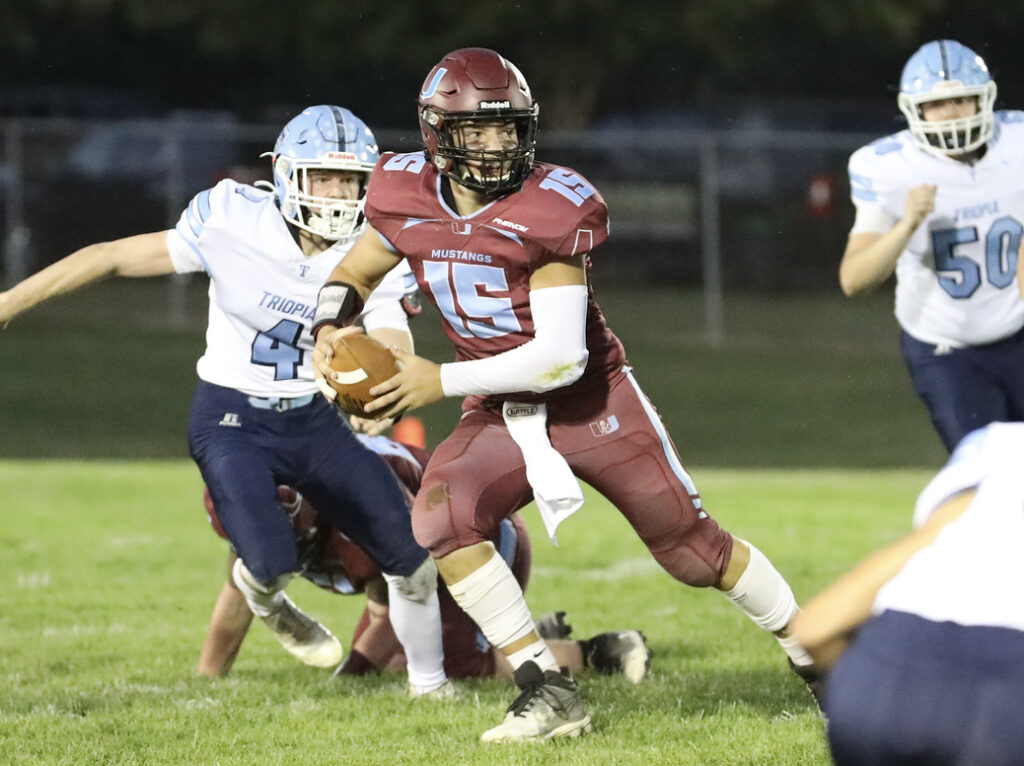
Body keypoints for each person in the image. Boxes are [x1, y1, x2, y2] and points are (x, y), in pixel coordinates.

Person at [311, 48, 818, 742]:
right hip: (497, 406)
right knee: (440, 519)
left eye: (508, 129)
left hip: (590, 402)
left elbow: (557, 358)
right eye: (477, 132)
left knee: (693, 552)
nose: (496, 147)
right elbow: (358, 268)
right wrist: (328, 326)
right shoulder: (402, 192)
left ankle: (818, 655)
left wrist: (438, 379)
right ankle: (547, 689)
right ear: (436, 134)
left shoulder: (549, 205)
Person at [0, 105, 451, 697]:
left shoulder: (376, 248)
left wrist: (379, 384)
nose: (339, 195)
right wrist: (10, 302)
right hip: (232, 416)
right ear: (288, 175)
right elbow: (110, 255)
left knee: (410, 552)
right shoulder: (233, 220)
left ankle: (432, 687)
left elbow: (393, 335)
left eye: (350, 180)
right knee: (269, 562)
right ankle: (265, 592)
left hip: (314, 421)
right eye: (324, 177)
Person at [197, 432, 652, 684]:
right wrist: (208, 677)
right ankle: (504, 631)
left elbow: (392, 605)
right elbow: (239, 591)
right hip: (418, 562)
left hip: (478, 542)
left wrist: (351, 674)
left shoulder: (357, 512)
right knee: (396, 664)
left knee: (455, 666)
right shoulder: (271, 488)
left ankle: (601, 651)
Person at [791, 422, 1024, 766]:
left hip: (879, 686)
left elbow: (814, 628)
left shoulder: (997, 444)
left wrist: (866, 683)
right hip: (1005, 688)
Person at [839, 40, 1024, 453]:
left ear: (984, 99)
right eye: (938, 104)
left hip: (1018, 332)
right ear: (914, 110)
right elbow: (853, 279)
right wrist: (907, 225)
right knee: (986, 477)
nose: (951, 113)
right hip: (947, 350)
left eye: (961, 99)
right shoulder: (887, 167)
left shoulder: (1018, 144)